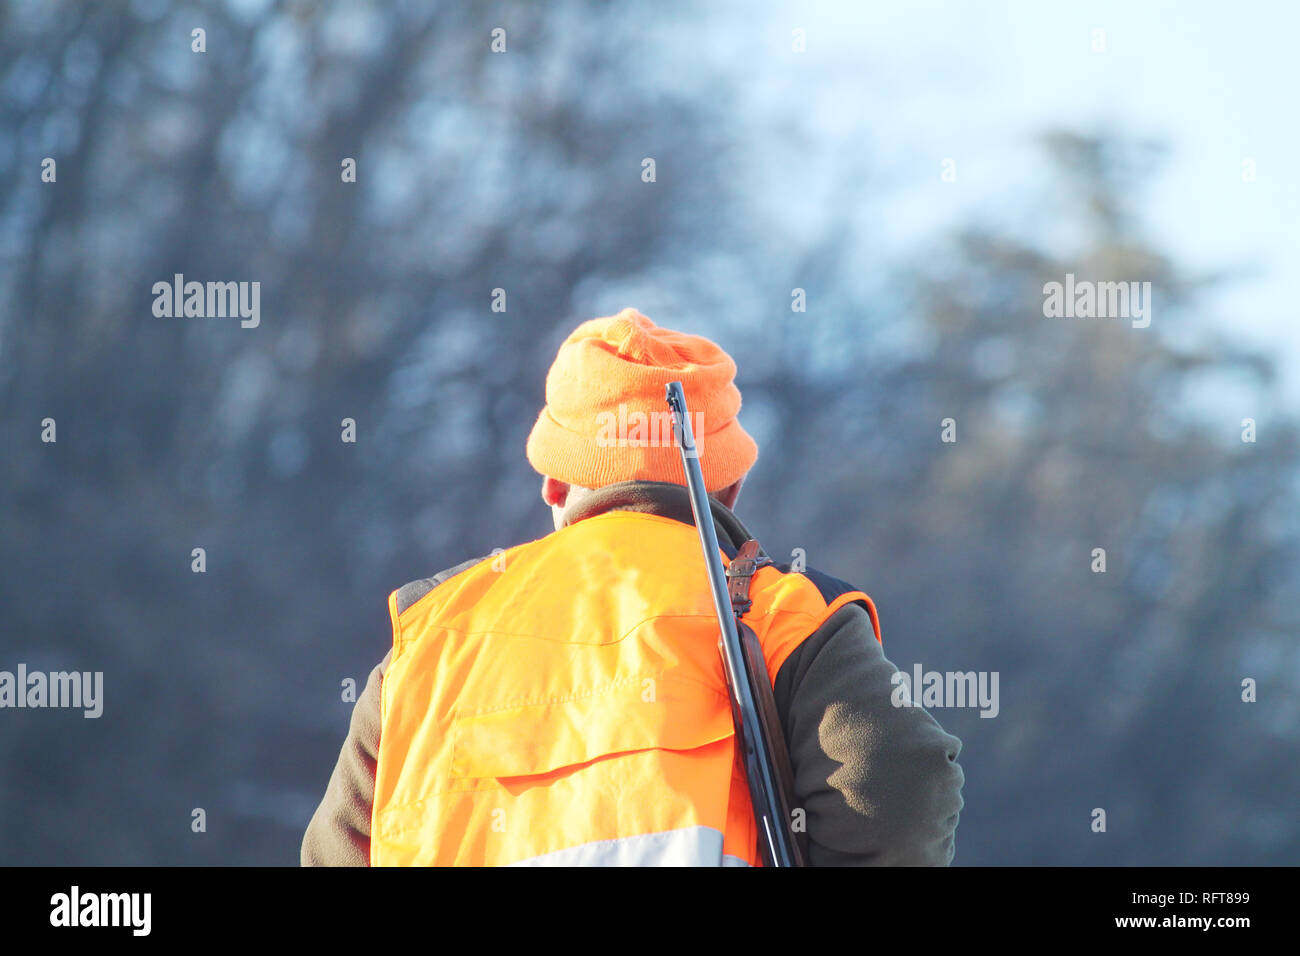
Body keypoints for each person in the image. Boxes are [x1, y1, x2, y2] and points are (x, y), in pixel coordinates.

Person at [302, 307, 964, 866]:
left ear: (554, 485)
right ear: (729, 487)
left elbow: (334, 853)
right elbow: (902, 786)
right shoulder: (785, 615)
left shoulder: (428, 639)